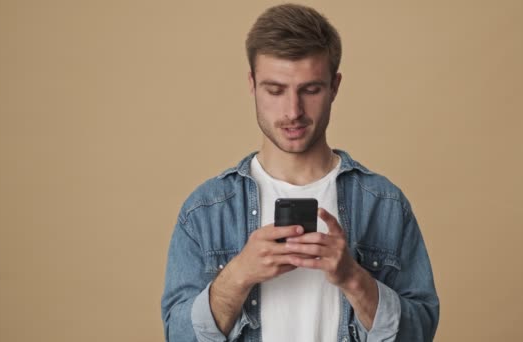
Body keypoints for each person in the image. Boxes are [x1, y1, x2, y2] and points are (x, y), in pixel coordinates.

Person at [161, 4, 439, 342]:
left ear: (334, 86)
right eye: (275, 90)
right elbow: (178, 336)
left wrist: (353, 277)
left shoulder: (385, 204)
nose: (293, 111)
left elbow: (420, 333)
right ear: (252, 84)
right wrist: (238, 275)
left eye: (310, 90)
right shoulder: (205, 210)